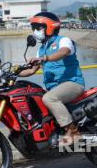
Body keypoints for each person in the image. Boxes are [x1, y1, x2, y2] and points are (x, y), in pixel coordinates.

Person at [18, 12, 85, 143]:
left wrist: (45, 58)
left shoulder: (64, 41)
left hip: (72, 83)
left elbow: (64, 52)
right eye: (34, 28)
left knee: (49, 98)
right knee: (33, 98)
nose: (35, 31)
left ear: (49, 27)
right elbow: (31, 70)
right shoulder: (41, 49)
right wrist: (13, 72)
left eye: (38, 28)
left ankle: (73, 131)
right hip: (54, 87)